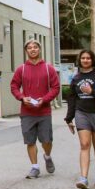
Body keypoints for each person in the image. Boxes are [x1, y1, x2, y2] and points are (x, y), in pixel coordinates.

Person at [10, 40, 61, 179]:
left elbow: (56, 87)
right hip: (27, 112)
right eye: (29, 48)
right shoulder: (22, 69)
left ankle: (47, 156)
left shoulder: (48, 68)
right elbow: (14, 86)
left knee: (46, 141)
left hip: (44, 111)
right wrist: (21, 97)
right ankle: (35, 167)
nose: (32, 50)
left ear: (40, 49)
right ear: (26, 51)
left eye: (35, 47)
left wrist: (44, 99)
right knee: (30, 141)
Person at [65, 50, 95, 189]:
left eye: (88, 58)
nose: (85, 60)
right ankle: (83, 178)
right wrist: (69, 118)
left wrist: (92, 92)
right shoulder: (76, 77)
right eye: (83, 58)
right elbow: (72, 99)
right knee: (85, 145)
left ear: (92, 60)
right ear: (80, 60)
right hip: (82, 113)